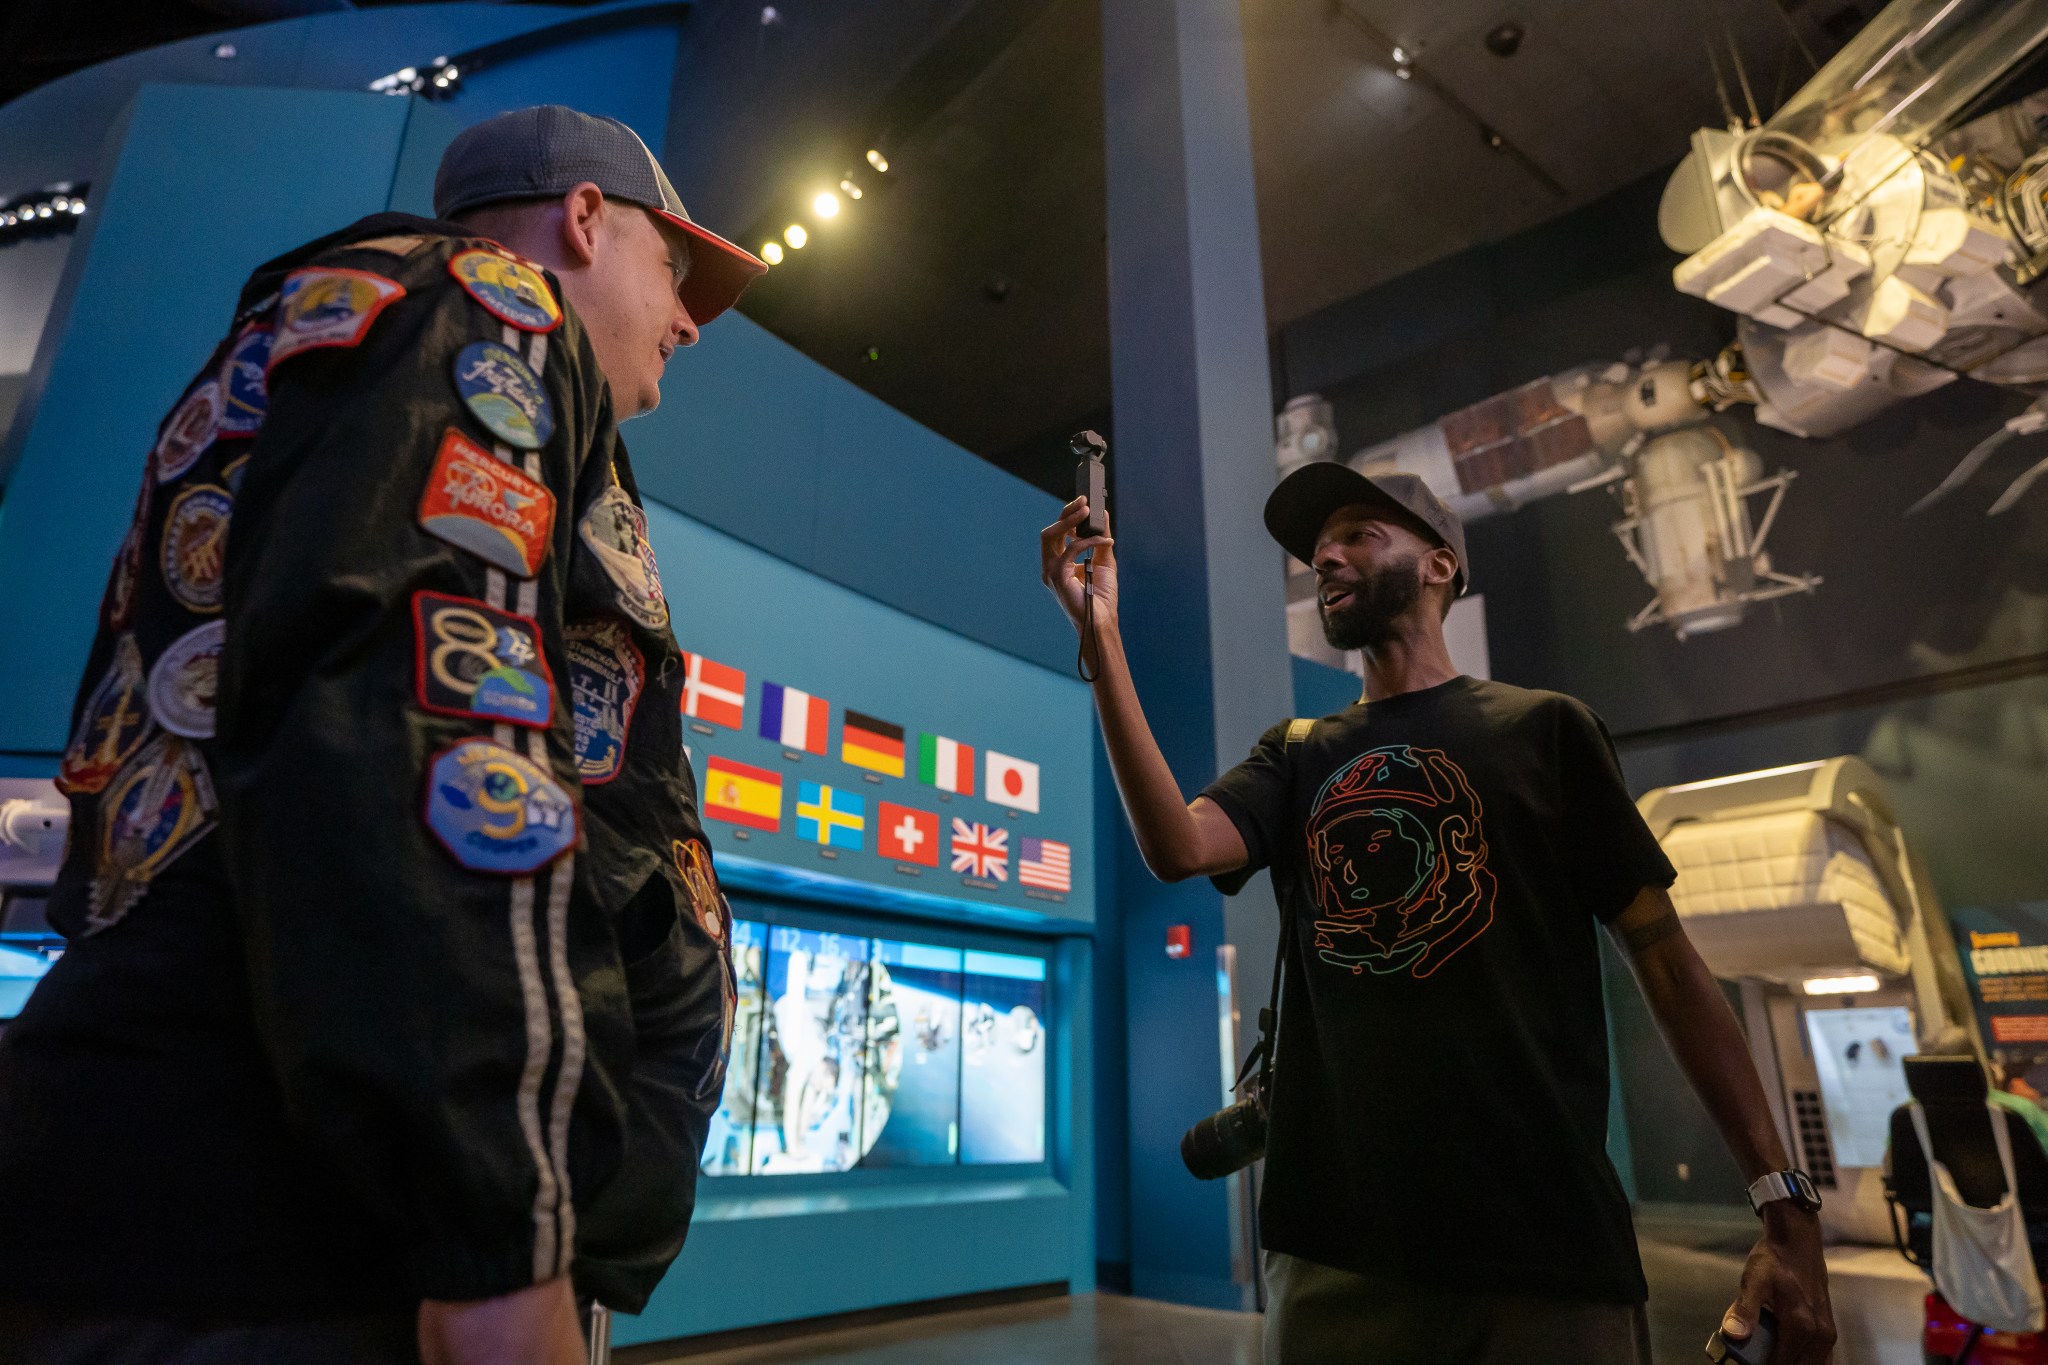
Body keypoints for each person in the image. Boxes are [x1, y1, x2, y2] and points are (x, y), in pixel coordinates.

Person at [0, 105, 767, 1365]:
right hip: (305, 1251)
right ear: (583, 220)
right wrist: (497, 1237)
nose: (685, 321)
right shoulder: (478, 306)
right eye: (671, 270)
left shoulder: (370, 346)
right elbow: (431, 731)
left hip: (254, 1213)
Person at [1039, 460, 1837, 1365]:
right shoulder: (1298, 754)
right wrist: (1100, 634)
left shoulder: (1548, 732)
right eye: (1316, 548)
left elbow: (1668, 963)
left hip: (1546, 1257)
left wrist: (1784, 1205)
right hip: (1336, 1256)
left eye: (1356, 535)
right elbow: (1176, 845)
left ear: (1440, 565)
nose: (1324, 559)